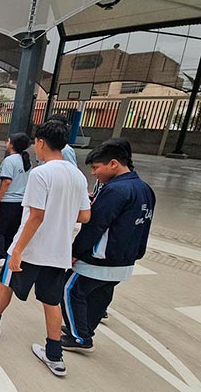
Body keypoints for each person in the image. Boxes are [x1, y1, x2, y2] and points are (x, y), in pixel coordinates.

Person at [0, 120, 91, 378]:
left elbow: (36, 216)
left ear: (41, 142)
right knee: (50, 301)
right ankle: (54, 356)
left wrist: (18, 250)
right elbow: (85, 216)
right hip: (59, 251)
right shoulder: (77, 175)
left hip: (32, 247)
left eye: (36, 144)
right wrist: (61, 214)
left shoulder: (41, 173)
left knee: (5, 282)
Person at [62, 139, 155, 352]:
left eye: (96, 167)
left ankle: (79, 337)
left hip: (100, 259)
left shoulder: (115, 190)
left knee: (69, 289)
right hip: (124, 260)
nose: (94, 173)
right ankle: (84, 330)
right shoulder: (145, 189)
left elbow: (95, 225)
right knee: (99, 296)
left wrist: (75, 252)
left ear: (113, 163)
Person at [0, 132, 32, 271]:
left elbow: (6, 181)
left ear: (11, 143)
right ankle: (6, 256)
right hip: (21, 202)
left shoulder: (10, 161)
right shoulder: (26, 162)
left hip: (8, 200)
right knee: (11, 231)